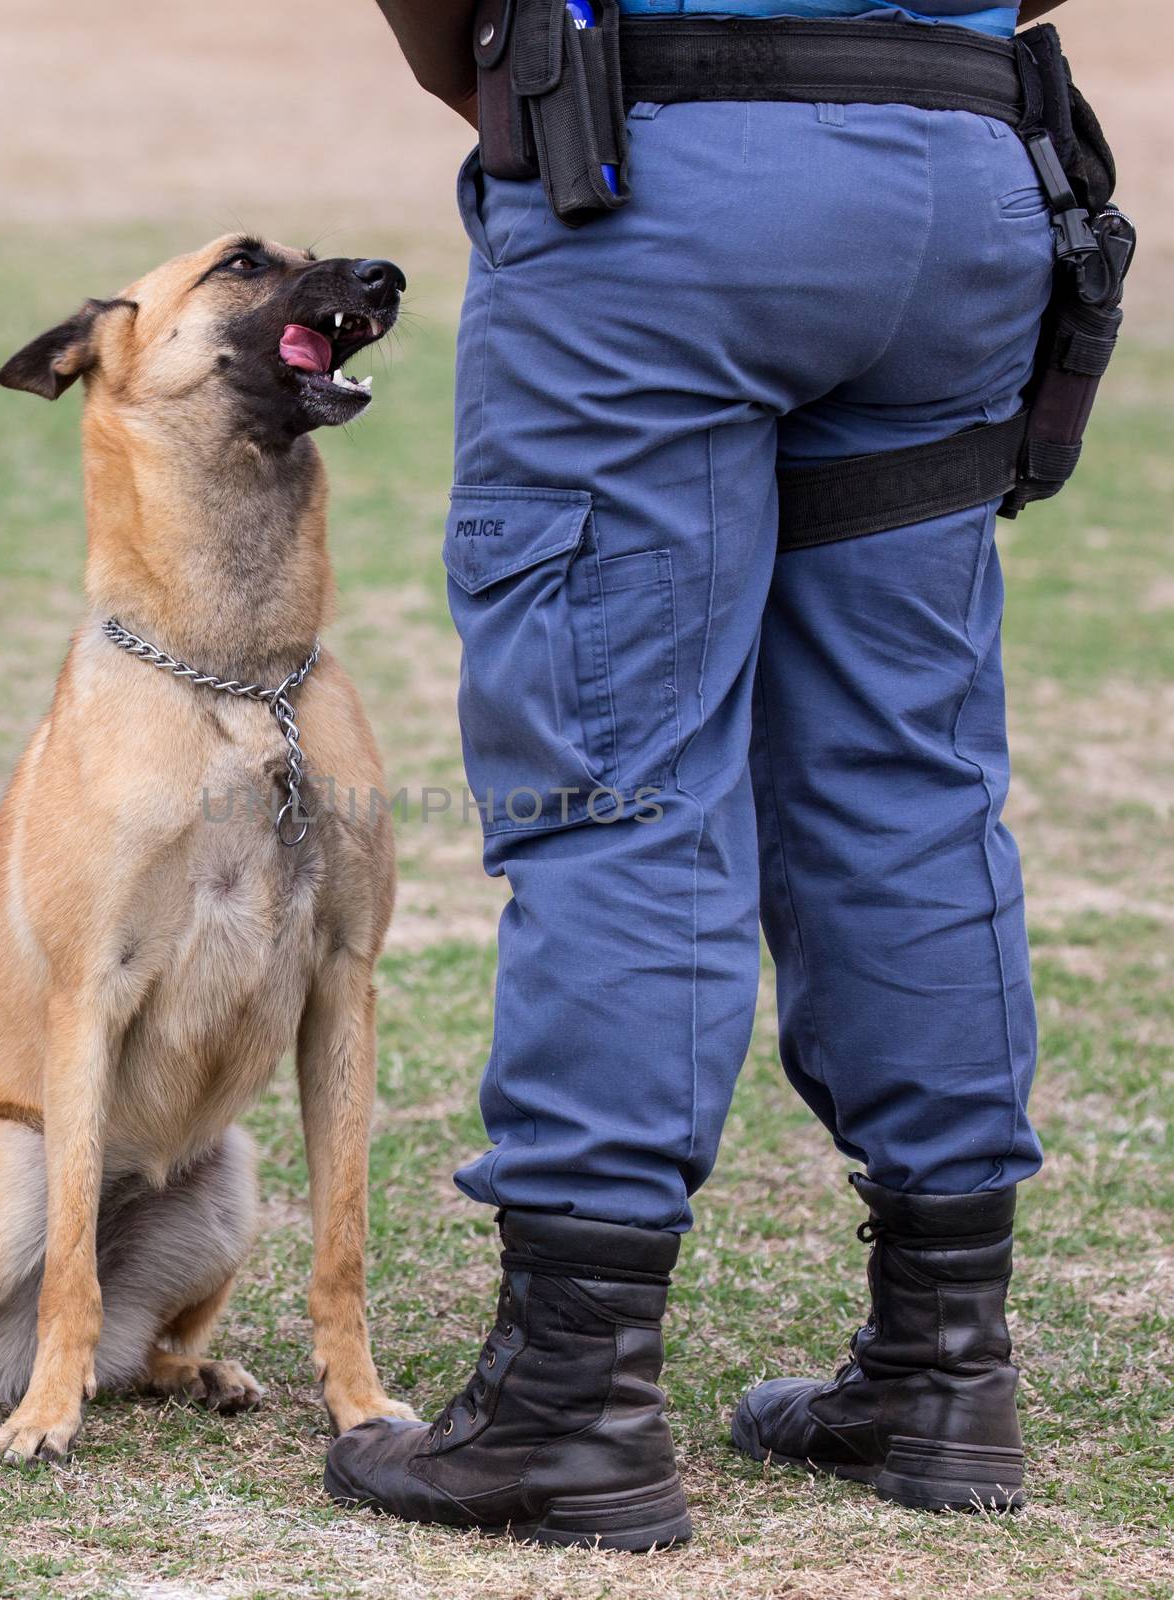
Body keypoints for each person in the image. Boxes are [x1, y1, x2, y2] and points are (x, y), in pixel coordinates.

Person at [325, 0, 1075, 1550]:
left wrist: (500, 79)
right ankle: (945, 1369)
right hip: (954, 175)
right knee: (905, 776)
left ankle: (572, 1404)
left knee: (614, 780)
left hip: (657, 170)